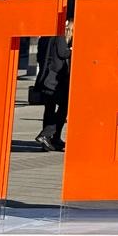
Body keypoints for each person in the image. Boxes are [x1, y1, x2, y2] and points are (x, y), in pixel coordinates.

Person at [35, 18, 73, 153]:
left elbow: (39, 56)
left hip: (45, 78)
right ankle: (46, 135)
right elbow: (63, 53)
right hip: (55, 80)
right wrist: (72, 49)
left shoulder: (44, 37)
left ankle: (50, 139)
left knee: (49, 109)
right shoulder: (59, 36)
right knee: (64, 107)